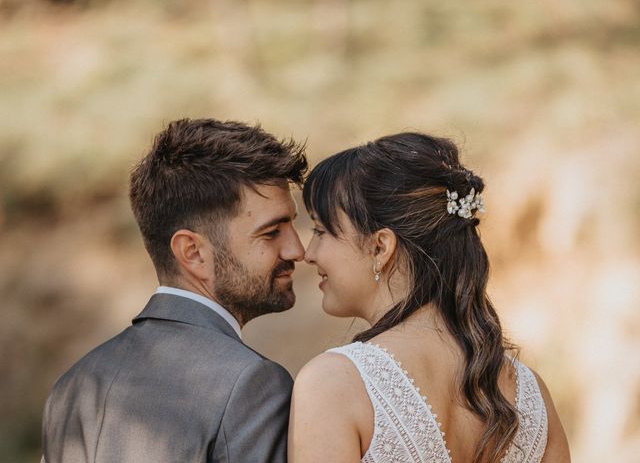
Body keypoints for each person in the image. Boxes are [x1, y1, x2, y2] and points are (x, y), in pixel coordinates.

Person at [289, 132, 571, 462]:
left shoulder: (335, 384)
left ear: (380, 247)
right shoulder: (529, 396)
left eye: (321, 232)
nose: (308, 254)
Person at [41, 118, 307, 462]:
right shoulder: (251, 384)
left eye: (293, 225)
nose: (297, 249)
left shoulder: (71, 386)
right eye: (272, 233)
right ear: (193, 253)